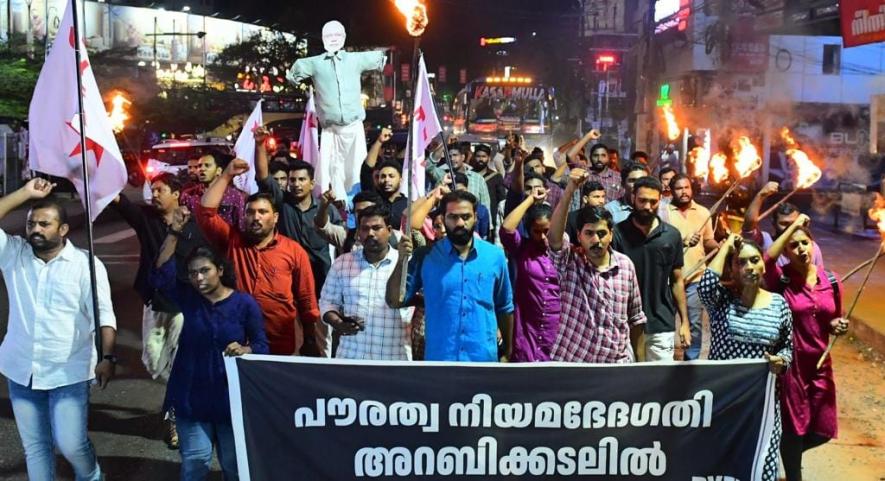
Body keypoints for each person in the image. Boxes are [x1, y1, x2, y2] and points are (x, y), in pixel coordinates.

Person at [0, 178, 117, 481]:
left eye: (44, 224)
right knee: (36, 446)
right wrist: (25, 192)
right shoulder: (14, 255)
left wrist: (107, 356)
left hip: (69, 371)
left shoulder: (85, 265)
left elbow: (103, 315)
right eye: (31, 224)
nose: (35, 230)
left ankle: (91, 475)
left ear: (63, 229)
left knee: (70, 443)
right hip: (21, 369)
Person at [152, 225, 268, 481]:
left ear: (221, 271)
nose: (199, 278)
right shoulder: (189, 299)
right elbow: (161, 275)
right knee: (195, 464)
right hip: (191, 397)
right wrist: (172, 232)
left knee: (235, 467)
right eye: (193, 273)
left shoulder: (244, 304)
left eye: (205, 270)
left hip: (231, 400)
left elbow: (262, 345)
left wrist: (246, 349)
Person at [110, 172, 208, 449]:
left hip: (184, 305)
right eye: (152, 190)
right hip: (155, 301)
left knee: (178, 362)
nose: (154, 194)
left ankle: (176, 416)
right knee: (153, 360)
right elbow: (120, 203)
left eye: (160, 190)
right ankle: (187, 388)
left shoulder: (192, 225)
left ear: (176, 194)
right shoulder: (147, 220)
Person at [197, 158, 321, 356]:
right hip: (234, 343)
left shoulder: (294, 251)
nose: (256, 217)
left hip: (278, 342)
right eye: (250, 212)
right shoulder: (232, 241)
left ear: (275, 217)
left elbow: (306, 301)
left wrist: (310, 339)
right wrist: (227, 174)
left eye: (263, 212)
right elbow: (205, 213)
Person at [698, 233, 793, 481]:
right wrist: (729, 244)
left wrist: (781, 362)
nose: (750, 267)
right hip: (724, 403)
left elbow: (787, 348)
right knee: (722, 468)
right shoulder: (722, 302)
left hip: (761, 407)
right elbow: (705, 285)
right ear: (731, 268)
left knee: (760, 468)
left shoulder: (779, 305)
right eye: (741, 262)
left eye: (754, 260)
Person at [765, 214, 848, 481]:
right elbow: (767, 258)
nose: (801, 249)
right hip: (793, 366)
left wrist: (837, 325)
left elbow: (833, 318)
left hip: (821, 364)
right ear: (786, 252)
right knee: (794, 428)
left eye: (804, 243)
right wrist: (792, 226)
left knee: (823, 429)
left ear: (813, 245)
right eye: (793, 245)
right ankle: (794, 475)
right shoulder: (783, 281)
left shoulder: (832, 281)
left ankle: (783, 453)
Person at [387, 191, 514, 362]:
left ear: (476, 217)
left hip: (483, 360)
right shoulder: (426, 256)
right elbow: (395, 300)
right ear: (443, 218)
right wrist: (402, 259)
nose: (460, 223)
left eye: (466, 216)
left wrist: (508, 351)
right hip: (440, 361)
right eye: (453, 217)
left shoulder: (495, 257)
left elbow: (505, 307)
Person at [548, 170, 646, 363]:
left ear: (611, 234)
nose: (596, 240)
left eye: (601, 233)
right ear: (579, 236)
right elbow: (554, 238)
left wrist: (640, 367)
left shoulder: (625, 266)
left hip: (614, 366)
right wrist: (570, 190)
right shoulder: (570, 261)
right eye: (589, 233)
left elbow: (636, 319)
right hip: (572, 363)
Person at [286, 20, 386, 200]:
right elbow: (294, 73)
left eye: (337, 35)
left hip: (354, 128)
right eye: (329, 35)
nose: (333, 39)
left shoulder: (355, 59)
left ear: (344, 38)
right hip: (330, 131)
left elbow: (380, 58)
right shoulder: (315, 63)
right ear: (323, 38)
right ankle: (332, 207)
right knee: (329, 173)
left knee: (358, 172)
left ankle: (357, 205)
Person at [255, 129, 342, 300]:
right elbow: (263, 176)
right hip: (287, 274)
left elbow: (341, 240)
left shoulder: (326, 208)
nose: (296, 184)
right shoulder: (281, 202)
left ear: (312, 183)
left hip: (320, 276)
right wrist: (259, 144)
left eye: (301, 180)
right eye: (292, 180)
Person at [320, 205, 414, 359]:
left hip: (394, 358)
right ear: (358, 233)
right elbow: (327, 303)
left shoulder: (407, 263)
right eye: (365, 229)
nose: (370, 233)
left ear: (389, 230)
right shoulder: (342, 263)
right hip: (351, 356)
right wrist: (338, 322)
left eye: (377, 228)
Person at [612, 176, 690, 361]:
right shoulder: (617, 234)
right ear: (633, 198)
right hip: (625, 324)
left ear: (660, 201)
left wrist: (685, 322)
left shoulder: (671, 235)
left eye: (653, 201)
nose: (647, 206)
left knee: (660, 383)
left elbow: (677, 280)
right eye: (642, 200)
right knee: (629, 383)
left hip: (661, 323)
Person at [500, 184, 561, 362]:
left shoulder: (562, 253)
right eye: (537, 231)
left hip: (556, 329)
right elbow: (507, 229)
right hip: (527, 328)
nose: (542, 236)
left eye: (546, 231)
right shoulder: (522, 249)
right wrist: (530, 200)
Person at [664, 174, 718, 360]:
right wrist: (682, 242)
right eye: (679, 188)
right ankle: (666, 361)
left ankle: (692, 362)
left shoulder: (703, 212)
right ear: (671, 191)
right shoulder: (663, 211)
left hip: (696, 277)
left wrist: (719, 246)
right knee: (667, 322)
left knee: (694, 323)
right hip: (669, 278)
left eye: (686, 187)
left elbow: (708, 240)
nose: (684, 191)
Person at [743, 181, 824, 267]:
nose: (790, 228)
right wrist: (761, 195)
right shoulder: (766, 242)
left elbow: (820, 275)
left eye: (794, 223)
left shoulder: (811, 246)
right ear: (773, 223)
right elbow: (749, 226)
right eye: (784, 223)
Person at [179, 151, 246, 229]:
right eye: (199, 166)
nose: (202, 169)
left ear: (219, 171)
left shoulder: (234, 196)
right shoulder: (188, 195)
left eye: (207, 165)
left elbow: (240, 225)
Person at [316, 189, 391, 253]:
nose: (363, 215)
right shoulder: (346, 236)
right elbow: (322, 226)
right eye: (359, 212)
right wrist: (323, 206)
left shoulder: (393, 237)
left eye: (368, 211)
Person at [427, 143, 492, 213]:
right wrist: (444, 143)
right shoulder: (443, 175)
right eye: (449, 156)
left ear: (463, 157)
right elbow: (428, 166)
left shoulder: (477, 178)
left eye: (455, 155)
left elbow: (486, 206)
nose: (452, 159)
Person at [472, 143, 506, 240]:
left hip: (492, 218)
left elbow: (502, 200)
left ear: (489, 158)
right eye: (478, 156)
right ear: (474, 157)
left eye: (484, 156)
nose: (481, 159)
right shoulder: (470, 175)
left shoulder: (496, 177)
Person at [566, 180, 606, 244]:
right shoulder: (572, 218)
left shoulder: (606, 218)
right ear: (585, 199)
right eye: (596, 197)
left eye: (603, 196)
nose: (601, 201)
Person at [454, 173, 490, 239]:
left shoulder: (481, 210)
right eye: (455, 192)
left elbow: (484, 236)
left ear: (467, 189)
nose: (459, 195)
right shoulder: (447, 210)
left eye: (461, 191)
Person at [375, 159, 408, 226]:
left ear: (400, 180)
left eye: (391, 176)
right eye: (383, 176)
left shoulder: (409, 205)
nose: (386, 180)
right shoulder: (373, 203)